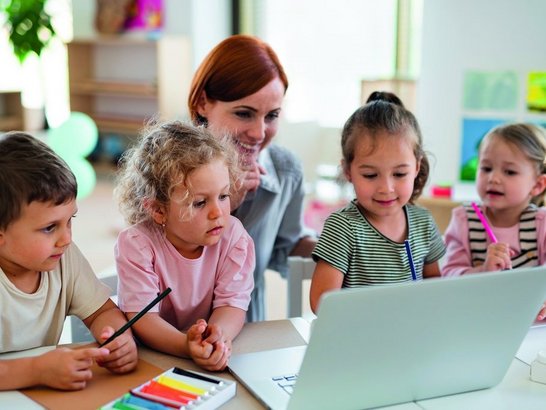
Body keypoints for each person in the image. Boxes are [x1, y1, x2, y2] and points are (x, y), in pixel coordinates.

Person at [188, 34, 316, 322]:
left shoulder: (286, 171)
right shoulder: (166, 168)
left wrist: (343, 243)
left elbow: (286, 247)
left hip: (247, 332)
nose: (259, 133)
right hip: (175, 336)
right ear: (202, 103)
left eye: (271, 116)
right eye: (244, 114)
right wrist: (224, 204)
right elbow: (163, 269)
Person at [0, 132, 137, 391]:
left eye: (69, 220)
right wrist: (36, 370)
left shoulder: (63, 256)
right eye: (50, 227)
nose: (66, 238)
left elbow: (102, 312)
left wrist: (117, 338)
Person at [114, 120, 255, 371]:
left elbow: (232, 305)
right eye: (200, 203)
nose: (217, 213)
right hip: (152, 359)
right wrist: (186, 346)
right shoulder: (136, 244)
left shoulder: (234, 237)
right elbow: (143, 319)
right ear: (158, 210)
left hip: (203, 356)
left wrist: (216, 338)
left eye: (223, 196)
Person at [309, 95, 446, 313]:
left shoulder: (423, 223)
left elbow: (436, 289)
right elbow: (322, 304)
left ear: (417, 167)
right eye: (371, 175)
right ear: (348, 171)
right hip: (360, 340)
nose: (386, 188)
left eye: (400, 173)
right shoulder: (343, 228)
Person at [442, 123, 546, 319]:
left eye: (509, 172)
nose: (494, 178)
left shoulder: (542, 223)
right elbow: (448, 276)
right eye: (486, 168)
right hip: (476, 319)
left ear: (538, 184)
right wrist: (483, 270)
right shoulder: (463, 220)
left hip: (529, 326)